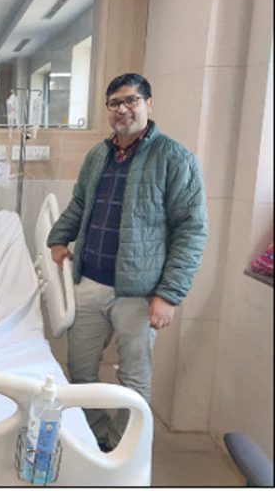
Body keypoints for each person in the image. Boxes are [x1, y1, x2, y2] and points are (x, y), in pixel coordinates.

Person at [47, 73, 208, 452]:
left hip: (140, 292)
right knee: (81, 372)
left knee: (133, 380)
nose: (123, 109)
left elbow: (192, 230)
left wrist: (169, 294)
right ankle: (98, 441)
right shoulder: (99, 155)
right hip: (90, 282)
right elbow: (80, 205)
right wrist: (58, 238)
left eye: (131, 100)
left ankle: (124, 452)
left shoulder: (174, 158)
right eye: (115, 103)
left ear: (149, 104)